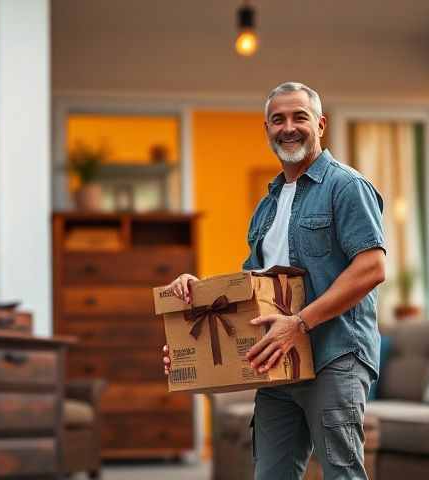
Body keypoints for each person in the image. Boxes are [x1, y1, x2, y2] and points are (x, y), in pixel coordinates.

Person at [162, 81, 386, 479]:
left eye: (299, 116)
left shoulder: (346, 186)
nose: (288, 127)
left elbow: (372, 267)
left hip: (334, 354)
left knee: (341, 474)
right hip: (278, 361)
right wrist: (195, 313)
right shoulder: (267, 206)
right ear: (266, 129)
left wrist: (299, 324)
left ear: (320, 124)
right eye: (277, 119)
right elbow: (253, 287)